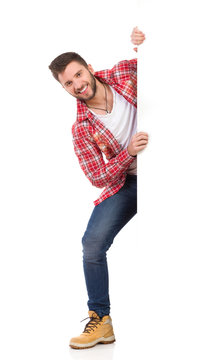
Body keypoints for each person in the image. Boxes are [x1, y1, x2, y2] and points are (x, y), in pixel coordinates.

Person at [49, 27, 148, 350]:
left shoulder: (121, 73)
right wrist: (128, 154)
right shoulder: (81, 129)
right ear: (64, 89)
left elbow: (164, 65)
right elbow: (99, 176)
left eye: (78, 74)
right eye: (69, 83)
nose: (78, 84)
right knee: (92, 243)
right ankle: (101, 320)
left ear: (89, 68)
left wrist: (144, 46)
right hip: (129, 183)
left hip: (170, 172)